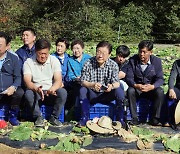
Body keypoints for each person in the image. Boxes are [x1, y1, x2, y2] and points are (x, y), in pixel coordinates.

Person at [79, 41, 125, 127]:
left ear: (109, 55)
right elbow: (83, 81)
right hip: (92, 94)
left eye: (104, 53)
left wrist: (111, 86)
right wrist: (92, 85)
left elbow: (116, 83)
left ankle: (120, 119)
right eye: (98, 52)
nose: (100, 56)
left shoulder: (113, 65)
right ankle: (84, 118)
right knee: (82, 90)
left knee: (119, 89)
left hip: (107, 94)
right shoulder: (88, 63)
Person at [23, 39, 67, 127]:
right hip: (37, 91)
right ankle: (38, 117)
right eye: (40, 54)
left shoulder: (54, 60)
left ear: (49, 52)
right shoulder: (29, 62)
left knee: (63, 92)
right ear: (36, 52)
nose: (43, 56)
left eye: (45, 54)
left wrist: (53, 88)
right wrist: (36, 88)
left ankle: (54, 117)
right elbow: (27, 81)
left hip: (50, 91)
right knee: (28, 93)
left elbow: (58, 80)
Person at [126, 40, 164, 126]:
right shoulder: (133, 60)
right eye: (140, 51)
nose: (141, 54)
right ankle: (134, 118)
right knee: (130, 90)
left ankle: (155, 118)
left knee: (160, 91)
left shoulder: (156, 61)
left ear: (150, 52)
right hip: (138, 88)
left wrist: (152, 86)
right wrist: (136, 85)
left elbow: (160, 79)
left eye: (144, 52)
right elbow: (129, 77)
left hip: (150, 89)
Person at [0, 32, 24, 126]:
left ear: (7, 46)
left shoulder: (13, 58)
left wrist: (13, 87)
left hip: (8, 91)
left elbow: (18, 77)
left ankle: (12, 116)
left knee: (20, 92)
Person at [66, 40, 91, 111]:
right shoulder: (70, 60)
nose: (76, 51)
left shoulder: (88, 58)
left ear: (82, 49)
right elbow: (70, 75)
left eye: (78, 48)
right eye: (74, 49)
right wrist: (76, 78)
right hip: (76, 83)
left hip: (88, 82)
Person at [167, 59, 180, 130]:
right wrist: (171, 89)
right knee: (171, 95)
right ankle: (172, 120)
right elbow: (172, 77)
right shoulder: (177, 63)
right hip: (179, 88)